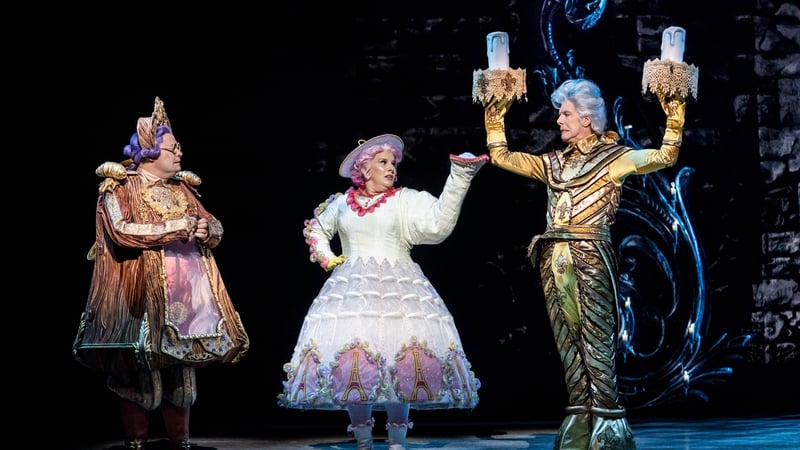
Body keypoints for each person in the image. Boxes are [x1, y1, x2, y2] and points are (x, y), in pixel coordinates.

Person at [481, 78, 686, 450]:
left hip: (590, 257)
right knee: (567, 340)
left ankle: (607, 421)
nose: (558, 120)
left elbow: (664, 156)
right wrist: (494, 118)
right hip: (553, 257)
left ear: (587, 119)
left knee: (596, 338)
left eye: (566, 114)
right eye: (560, 113)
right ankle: (579, 416)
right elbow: (502, 157)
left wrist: (674, 115)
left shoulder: (614, 159)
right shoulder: (554, 163)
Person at [278, 134, 485, 450]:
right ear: (365, 167)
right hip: (352, 290)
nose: (391, 169)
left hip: (398, 289)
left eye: (393, 163)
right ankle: (362, 440)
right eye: (383, 162)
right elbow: (316, 228)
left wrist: (460, 177)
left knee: (399, 358)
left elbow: (438, 225)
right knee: (353, 364)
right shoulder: (341, 203)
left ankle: (397, 442)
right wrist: (328, 257)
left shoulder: (405, 200)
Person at [73, 97, 250, 450]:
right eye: (172, 148)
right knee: (139, 371)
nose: (179, 153)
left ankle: (179, 440)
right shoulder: (122, 185)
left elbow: (213, 223)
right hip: (141, 292)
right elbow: (121, 230)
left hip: (187, 292)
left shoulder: (181, 187)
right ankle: (136, 441)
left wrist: (206, 230)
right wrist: (174, 227)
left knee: (182, 372)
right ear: (150, 152)